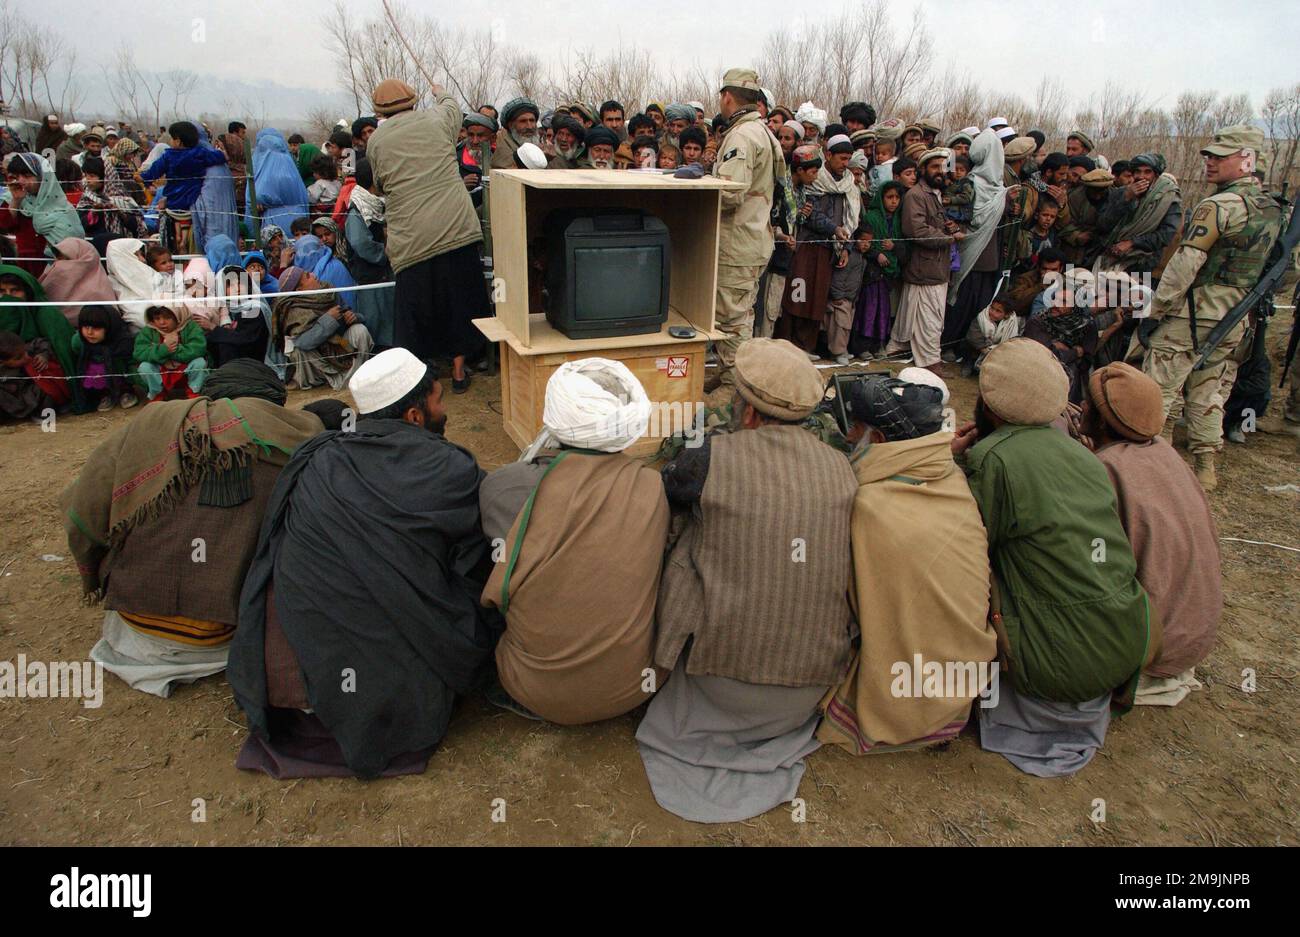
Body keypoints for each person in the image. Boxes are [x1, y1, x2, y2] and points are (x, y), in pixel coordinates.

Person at [228, 349, 502, 778]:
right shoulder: (449, 467)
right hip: (388, 686)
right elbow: (477, 561)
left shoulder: (316, 457)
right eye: (439, 401)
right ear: (414, 416)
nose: (444, 412)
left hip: (296, 679)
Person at [639, 339, 856, 822]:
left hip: (719, 683)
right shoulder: (844, 468)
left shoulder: (709, 456)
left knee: (681, 535)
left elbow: (660, 499)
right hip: (807, 691)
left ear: (749, 412)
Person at [953, 339, 1157, 777]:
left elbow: (964, 550)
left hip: (1057, 666)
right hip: (1123, 641)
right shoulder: (1084, 455)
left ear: (989, 405)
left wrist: (952, 464)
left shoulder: (994, 459)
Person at [62, 363, 322, 698]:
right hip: (224, 638)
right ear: (275, 403)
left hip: (135, 628)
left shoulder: (151, 426)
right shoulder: (300, 438)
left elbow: (84, 511)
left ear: (210, 394)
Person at [479, 359, 668, 724]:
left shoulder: (502, 486)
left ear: (554, 413)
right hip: (632, 689)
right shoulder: (652, 486)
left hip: (532, 689)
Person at [818, 372, 995, 754]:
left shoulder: (870, 507)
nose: (849, 438)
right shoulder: (952, 479)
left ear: (878, 439)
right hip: (958, 695)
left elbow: (840, 601)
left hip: (905, 700)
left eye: (857, 429)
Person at [1140, 126, 1283, 490]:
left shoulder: (1218, 205)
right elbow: (1288, 269)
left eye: (1221, 156)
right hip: (1235, 316)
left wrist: (1156, 310)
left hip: (1193, 312)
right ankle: (1204, 465)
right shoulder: (1272, 210)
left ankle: (1152, 466)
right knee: (1207, 389)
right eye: (1209, 155)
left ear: (1247, 159)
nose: (1210, 162)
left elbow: (1185, 263)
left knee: (1158, 388)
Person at [1080, 363, 1221, 706]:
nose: (1080, 408)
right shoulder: (1165, 454)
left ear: (1100, 420)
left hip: (1149, 652)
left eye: (1086, 404)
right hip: (1191, 641)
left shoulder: (1107, 468)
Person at [365, 78, 490, 393]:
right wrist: (440, 91)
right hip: (455, 228)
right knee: (461, 301)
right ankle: (460, 371)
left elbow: (379, 183)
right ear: (412, 99)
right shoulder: (437, 119)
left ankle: (424, 380)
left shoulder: (376, 141)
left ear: (379, 110)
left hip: (412, 238)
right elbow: (453, 107)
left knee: (417, 311)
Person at [705, 68, 783, 393]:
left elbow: (731, 192)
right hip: (752, 239)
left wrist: (699, 187)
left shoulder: (741, 136)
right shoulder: (763, 132)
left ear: (727, 96)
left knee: (732, 320)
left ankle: (735, 388)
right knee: (739, 313)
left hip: (737, 244)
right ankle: (728, 374)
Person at [884, 149, 960, 371]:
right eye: (934, 167)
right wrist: (948, 238)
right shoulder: (916, 195)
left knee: (924, 316)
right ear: (923, 170)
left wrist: (950, 228)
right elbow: (915, 230)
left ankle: (902, 348)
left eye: (942, 167)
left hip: (935, 267)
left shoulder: (934, 194)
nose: (939, 171)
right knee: (930, 319)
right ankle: (929, 361)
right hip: (924, 267)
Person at [775, 146, 836, 355]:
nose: (816, 176)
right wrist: (784, 236)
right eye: (813, 171)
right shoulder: (781, 187)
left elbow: (797, 219)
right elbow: (774, 219)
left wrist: (802, 214)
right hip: (777, 252)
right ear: (799, 170)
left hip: (789, 250)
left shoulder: (802, 191)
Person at [269, 265, 372, 390]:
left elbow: (348, 312)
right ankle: (330, 382)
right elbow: (303, 342)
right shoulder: (291, 308)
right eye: (307, 276)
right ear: (299, 289)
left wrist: (353, 317)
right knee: (298, 350)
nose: (313, 275)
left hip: (340, 343)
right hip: (316, 357)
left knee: (359, 330)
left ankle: (356, 376)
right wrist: (328, 319)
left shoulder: (328, 292)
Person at [1095, 152, 1181, 274]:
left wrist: (1132, 243)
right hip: (1109, 258)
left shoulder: (1168, 198)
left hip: (1142, 265)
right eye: (1137, 172)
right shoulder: (1119, 193)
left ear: (1155, 175)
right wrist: (1126, 198)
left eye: (1147, 172)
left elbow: (1166, 235)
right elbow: (1103, 225)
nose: (1141, 176)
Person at [1, 152, 86, 276]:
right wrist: (16, 200)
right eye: (17, 176)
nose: (21, 181)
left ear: (43, 176)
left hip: (56, 267)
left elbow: (73, 245)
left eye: (27, 175)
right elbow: (4, 226)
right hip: (24, 264)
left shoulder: (61, 205)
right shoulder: (15, 198)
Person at [851, 179, 906, 357]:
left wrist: (893, 247)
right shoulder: (872, 218)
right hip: (872, 272)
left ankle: (878, 344)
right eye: (889, 197)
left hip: (889, 273)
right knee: (868, 308)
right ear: (881, 198)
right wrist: (877, 254)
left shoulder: (899, 219)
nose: (894, 201)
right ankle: (862, 346)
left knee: (883, 310)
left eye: (897, 197)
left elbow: (904, 244)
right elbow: (864, 243)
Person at [344, 158, 395, 347]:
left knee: (388, 318)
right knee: (374, 319)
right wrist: (386, 253)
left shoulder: (377, 204)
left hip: (384, 275)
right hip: (370, 277)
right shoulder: (358, 209)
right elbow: (361, 243)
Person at [0, 262, 78, 385]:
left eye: (15, 291)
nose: (8, 297)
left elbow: (63, 354)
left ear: (28, 292)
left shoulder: (46, 315)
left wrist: (43, 355)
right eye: (2, 291)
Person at [69, 304, 138, 411]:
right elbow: (77, 351)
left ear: (110, 327)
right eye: (86, 327)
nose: (90, 332)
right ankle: (105, 394)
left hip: (120, 373)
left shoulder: (123, 342)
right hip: (97, 370)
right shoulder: (80, 342)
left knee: (120, 366)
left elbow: (132, 363)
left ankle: (126, 392)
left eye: (96, 328)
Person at [39, 236, 119, 328]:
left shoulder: (99, 291)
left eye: (67, 260)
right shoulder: (52, 280)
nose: (60, 264)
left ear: (85, 262)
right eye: (59, 259)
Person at [134, 304, 208, 401]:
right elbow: (139, 353)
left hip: (185, 370)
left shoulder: (191, 327)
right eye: (157, 318)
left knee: (200, 363)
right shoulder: (148, 331)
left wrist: (174, 349)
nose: (162, 322)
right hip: (161, 370)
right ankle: (157, 394)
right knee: (144, 367)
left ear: (178, 317)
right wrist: (163, 350)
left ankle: (194, 391)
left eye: (167, 317)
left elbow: (199, 349)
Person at [248, 128, 311, 237]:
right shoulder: (290, 166)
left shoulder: (262, 169)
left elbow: (253, 200)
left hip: (273, 226)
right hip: (299, 225)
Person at [0, 329, 70, 420]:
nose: (26, 357)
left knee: (45, 388)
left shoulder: (22, 349)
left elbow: (42, 342)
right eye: (19, 358)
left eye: (25, 351)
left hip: (32, 393)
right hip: (14, 402)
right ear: (2, 362)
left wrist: (44, 355)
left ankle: (46, 414)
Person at [963, 295, 1022, 374]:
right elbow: (974, 336)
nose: (992, 312)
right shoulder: (982, 317)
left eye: (998, 311)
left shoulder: (1012, 322)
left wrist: (996, 352)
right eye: (992, 308)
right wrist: (985, 350)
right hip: (981, 348)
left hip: (998, 352)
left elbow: (1012, 340)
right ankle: (970, 363)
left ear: (1007, 315)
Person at [491, 97, 541, 170]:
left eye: (532, 120)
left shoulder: (538, 144)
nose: (529, 126)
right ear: (511, 125)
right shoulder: (501, 145)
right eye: (523, 121)